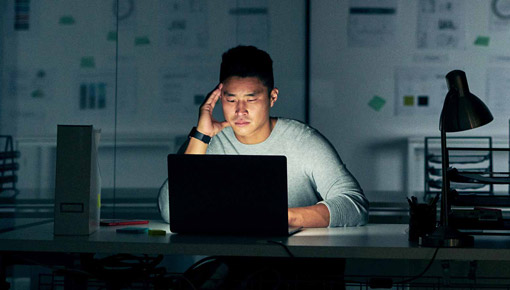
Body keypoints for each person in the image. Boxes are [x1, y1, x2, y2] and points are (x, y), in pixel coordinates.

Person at [158, 45, 368, 228]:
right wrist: (201, 135)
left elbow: (353, 204)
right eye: (231, 100)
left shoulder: (303, 141)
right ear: (219, 98)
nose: (240, 111)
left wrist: (284, 217)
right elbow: (171, 211)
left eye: (251, 99)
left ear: (272, 97)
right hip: (232, 259)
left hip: (297, 259)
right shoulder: (205, 141)